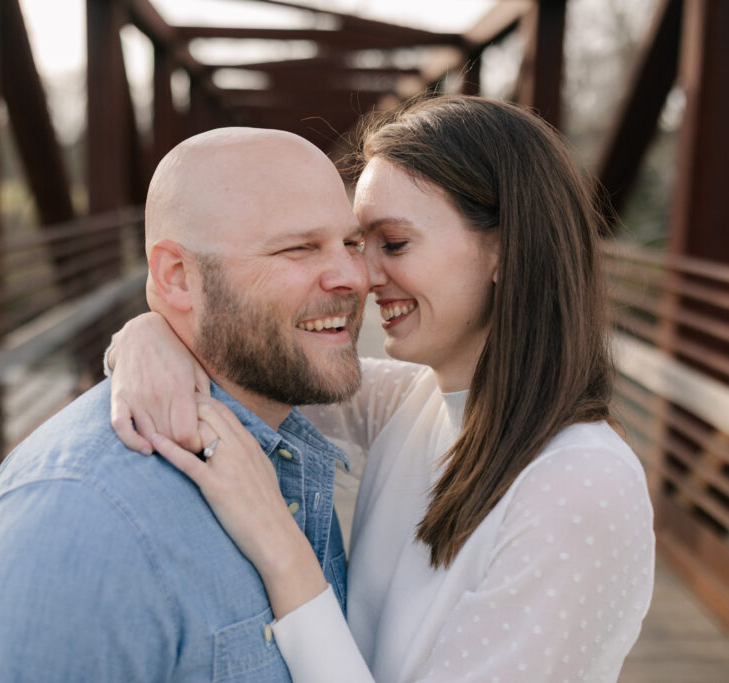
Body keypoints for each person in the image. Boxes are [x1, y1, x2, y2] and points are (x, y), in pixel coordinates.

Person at [106, 96, 656, 682]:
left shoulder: (580, 485)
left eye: (392, 244)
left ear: (504, 250)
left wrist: (279, 543)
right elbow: (254, 362)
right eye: (354, 243)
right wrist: (149, 331)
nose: (361, 276)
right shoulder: (415, 403)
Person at [0, 127, 369, 681]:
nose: (354, 277)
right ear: (176, 277)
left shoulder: (291, 437)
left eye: (352, 243)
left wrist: (145, 329)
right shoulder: (72, 527)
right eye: (299, 248)